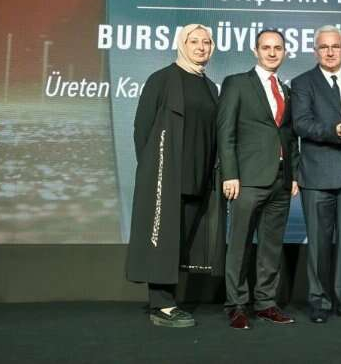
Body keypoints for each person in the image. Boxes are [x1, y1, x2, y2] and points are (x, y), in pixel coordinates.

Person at [126, 23, 225, 328]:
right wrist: (155, 169)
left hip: (199, 177)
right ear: (182, 44)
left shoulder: (210, 87)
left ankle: (170, 300)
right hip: (167, 176)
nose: (201, 47)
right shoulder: (163, 79)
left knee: (180, 242)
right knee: (164, 240)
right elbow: (142, 128)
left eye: (206, 42)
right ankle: (162, 305)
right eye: (194, 41)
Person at [217, 29, 300, 330]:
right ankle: (236, 305)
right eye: (266, 47)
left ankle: (265, 303)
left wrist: (294, 175)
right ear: (255, 51)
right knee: (240, 245)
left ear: (285, 52)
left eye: (278, 48)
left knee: (271, 247)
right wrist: (230, 174)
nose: (272, 52)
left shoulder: (287, 90)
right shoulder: (237, 83)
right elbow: (225, 132)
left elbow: (289, 136)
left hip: (281, 180)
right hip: (247, 179)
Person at [290, 25, 341, 324]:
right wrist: (334, 131)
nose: (330, 52)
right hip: (317, 174)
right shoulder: (302, 82)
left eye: (335, 46)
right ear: (315, 51)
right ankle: (319, 301)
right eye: (324, 47)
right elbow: (301, 124)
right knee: (319, 243)